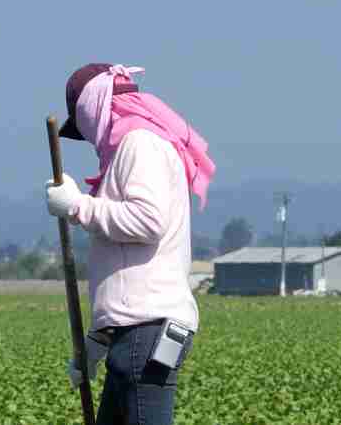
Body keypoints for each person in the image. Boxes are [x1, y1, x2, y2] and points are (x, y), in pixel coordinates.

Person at [44, 63, 215, 425]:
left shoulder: (140, 144)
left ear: (91, 110)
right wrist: (95, 345)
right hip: (136, 336)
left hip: (146, 336)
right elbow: (129, 278)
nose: (89, 139)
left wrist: (77, 206)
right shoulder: (134, 146)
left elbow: (147, 222)